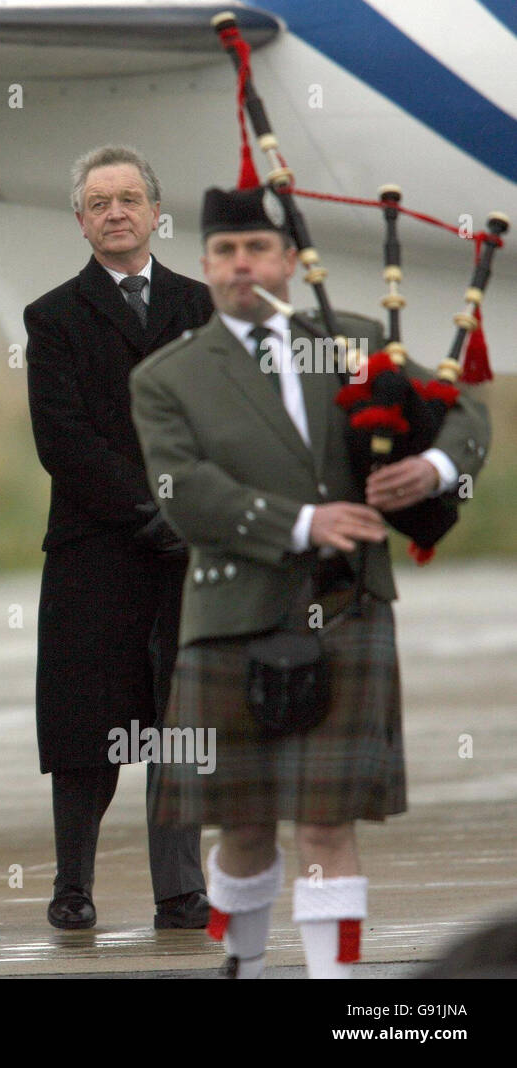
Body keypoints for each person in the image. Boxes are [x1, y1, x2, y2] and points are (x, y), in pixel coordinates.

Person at [129, 185, 489, 978]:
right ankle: (243, 964)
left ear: (291, 262)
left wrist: (431, 469)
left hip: (349, 605)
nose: (242, 265)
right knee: (244, 823)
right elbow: (181, 489)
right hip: (232, 614)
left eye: (258, 248)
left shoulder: (352, 342)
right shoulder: (169, 377)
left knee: (327, 824)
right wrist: (304, 521)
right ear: (204, 266)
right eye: (225, 251)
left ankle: (337, 987)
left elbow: (463, 411)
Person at [24, 145, 212, 931]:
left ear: (156, 212)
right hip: (95, 550)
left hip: (188, 554)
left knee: (179, 720)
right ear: (79, 220)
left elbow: (222, 421)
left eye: (129, 198)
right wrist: (144, 512)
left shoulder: (203, 307)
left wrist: (191, 510)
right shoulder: (53, 317)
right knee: (86, 727)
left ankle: (180, 889)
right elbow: (63, 439)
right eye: (98, 202)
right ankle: (73, 886)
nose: (115, 213)